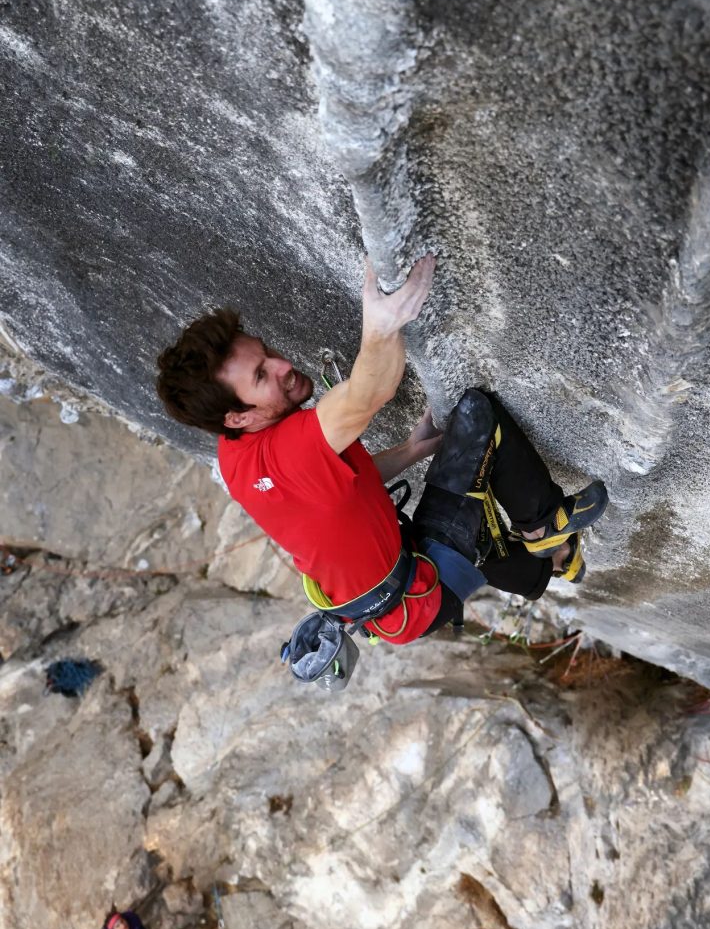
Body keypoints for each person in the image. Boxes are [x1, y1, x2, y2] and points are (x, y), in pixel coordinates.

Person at [155, 255, 607, 655]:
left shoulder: (236, 455)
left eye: (267, 353)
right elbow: (370, 391)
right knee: (476, 419)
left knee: (473, 532)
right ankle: (544, 526)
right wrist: (383, 326)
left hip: (390, 601)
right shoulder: (287, 451)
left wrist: (411, 450)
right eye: (261, 375)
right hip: (418, 595)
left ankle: (551, 566)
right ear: (237, 416)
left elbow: (342, 483)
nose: (282, 365)